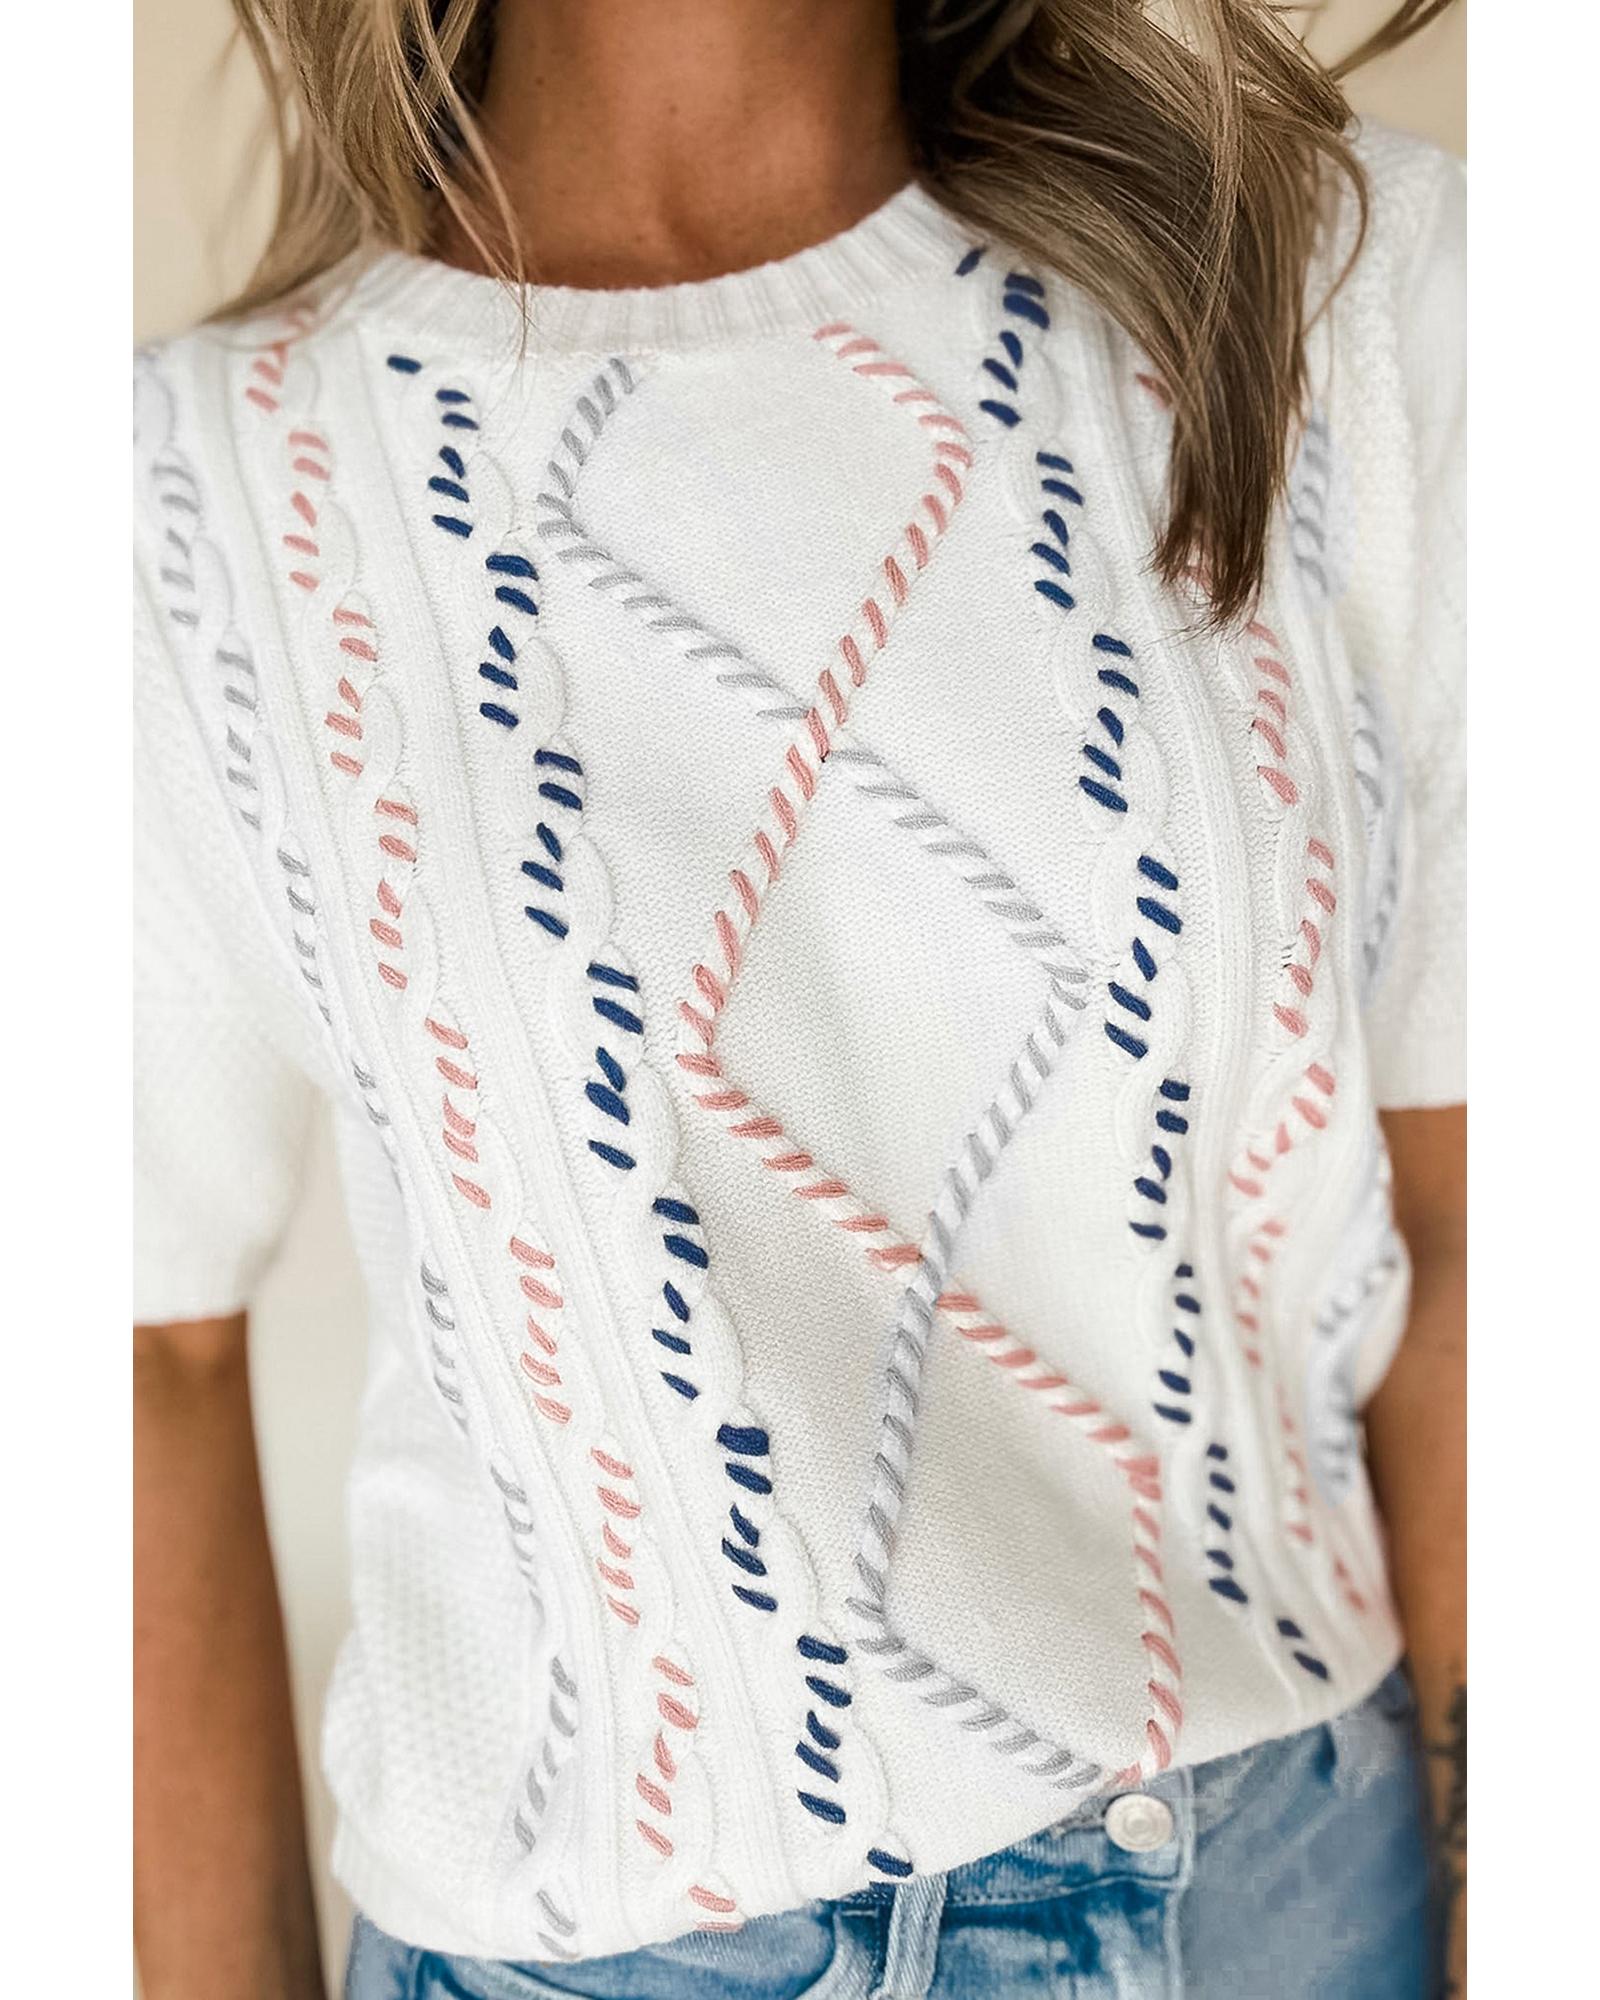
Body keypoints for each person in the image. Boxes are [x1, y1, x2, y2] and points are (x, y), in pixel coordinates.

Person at [132, 2, 1466, 1995]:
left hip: (1297, 1898)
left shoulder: (1333, 297)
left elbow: (1483, 1236)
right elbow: (137, 1359)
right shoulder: (192, 496)